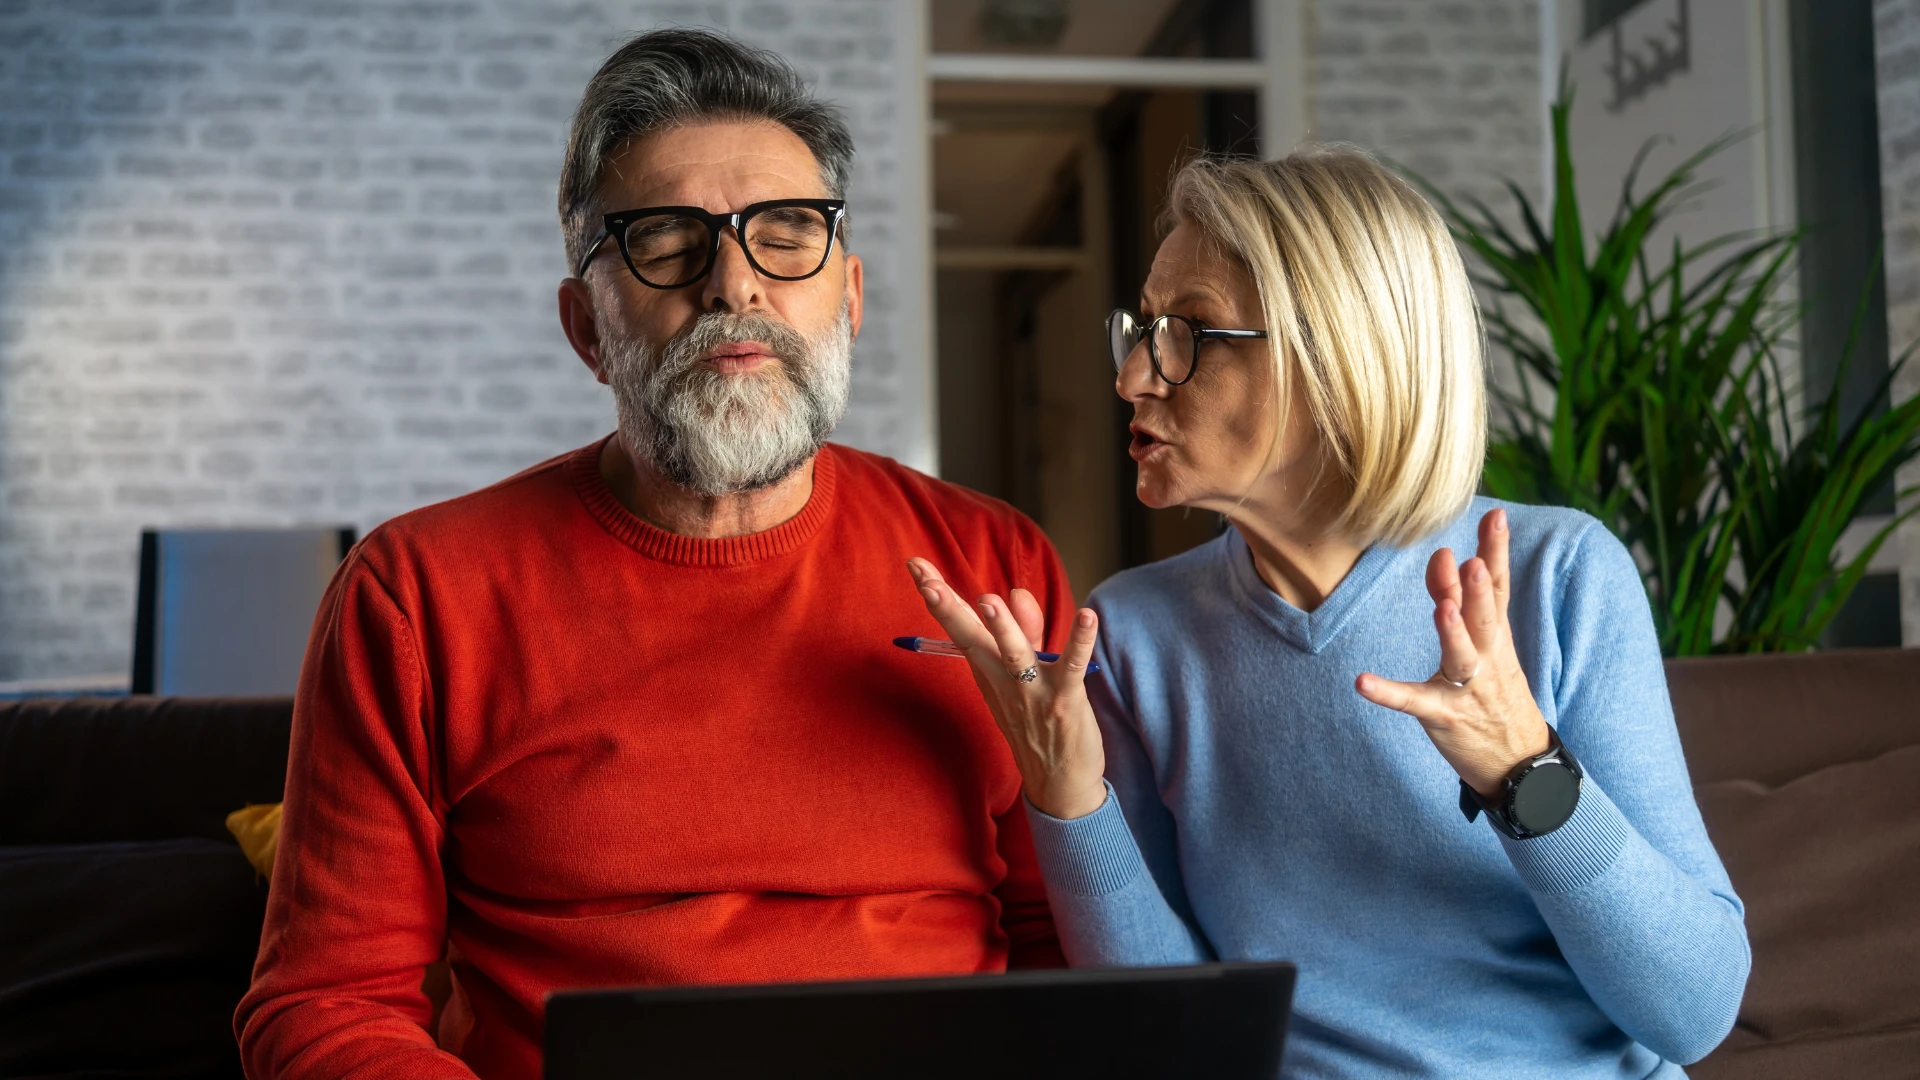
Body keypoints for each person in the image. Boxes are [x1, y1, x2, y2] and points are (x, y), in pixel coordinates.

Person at [236, 29, 1067, 1080]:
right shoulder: (416, 595)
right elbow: (325, 1004)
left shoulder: (995, 560)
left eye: (786, 235)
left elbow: (1060, 948)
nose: (734, 285)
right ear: (587, 329)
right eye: (668, 244)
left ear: (850, 298)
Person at [907, 147, 1749, 1077]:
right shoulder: (1135, 636)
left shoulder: (1560, 576)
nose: (1134, 376)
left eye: (1188, 332)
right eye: (1142, 329)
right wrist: (1067, 794)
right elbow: (1172, 1033)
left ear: (1335, 360)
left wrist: (1525, 769)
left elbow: (1694, 1011)